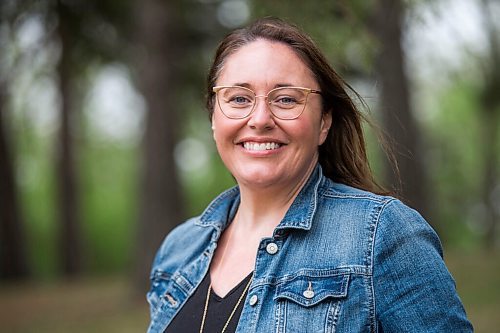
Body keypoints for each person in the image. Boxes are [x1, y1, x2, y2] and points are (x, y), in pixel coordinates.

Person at [146, 17, 473, 333]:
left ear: (324, 123)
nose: (260, 119)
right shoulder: (179, 249)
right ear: (214, 117)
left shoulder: (382, 235)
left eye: (286, 99)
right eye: (239, 99)